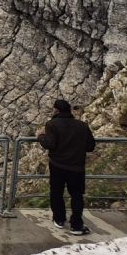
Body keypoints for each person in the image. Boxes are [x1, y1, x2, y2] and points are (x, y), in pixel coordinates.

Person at [38, 97, 97, 234]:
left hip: (57, 165)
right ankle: (76, 225)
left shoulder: (52, 124)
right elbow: (90, 146)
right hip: (77, 167)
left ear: (56, 110)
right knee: (77, 195)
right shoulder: (82, 126)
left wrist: (40, 137)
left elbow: (50, 144)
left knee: (57, 192)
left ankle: (59, 219)